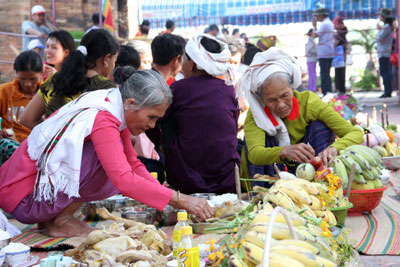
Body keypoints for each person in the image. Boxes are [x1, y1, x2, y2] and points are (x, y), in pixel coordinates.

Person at [0, 68, 214, 238]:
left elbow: (134, 164)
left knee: (118, 160)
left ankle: (54, 218)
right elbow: (124, 180)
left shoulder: (111, 104)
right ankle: (61, 221)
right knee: (106, 160)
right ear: (130, 104)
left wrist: (162, 192)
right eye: (151, 117)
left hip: (25, 195)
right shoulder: (104, 118)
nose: (152, 125)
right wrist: (181, 200)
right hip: (23, 200)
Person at [236, 47, 364, 181]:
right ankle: (265, 194)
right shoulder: (257, 113)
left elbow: (356, 133)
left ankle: (320, 181)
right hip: (269, 173)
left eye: (284, 95)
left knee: (320, 127)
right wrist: (284, 151)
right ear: (262, 99)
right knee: (262, 142)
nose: (280, 105)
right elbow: (255, 154)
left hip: (306, 167)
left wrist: (334, 148)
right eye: (271, 100)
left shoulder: (308, 102)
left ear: (293, 88)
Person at [162, 34, 240, 194]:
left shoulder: (179, 88)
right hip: (227, 178)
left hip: (186, 178)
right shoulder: (227, 90)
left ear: (191, 64)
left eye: (184, 60)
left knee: (165, 121)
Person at [20, 29, 118, 129]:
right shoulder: (107, 89)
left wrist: (52, 131)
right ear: (106, 59)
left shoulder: (56, 79)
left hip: (55, 143)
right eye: (114, 60)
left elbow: (26, 119)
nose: (114, 65)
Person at [0, 51, 43, 165]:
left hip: (36, 150)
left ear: (41, 74)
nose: (28, 84)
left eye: (33, 79)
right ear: (16, 74)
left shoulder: (48, 94)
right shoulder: (4, 92)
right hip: (8, 146)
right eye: (23, 79)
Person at [312, 8, 334, 95]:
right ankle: (328, 92)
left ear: (321, 15)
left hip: (324, 52)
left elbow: (314, 35)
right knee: (326, 74)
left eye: (317, 16)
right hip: (328, 51)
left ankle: (326, 93)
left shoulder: (324, 24)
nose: (316, 17)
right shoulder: (329, 23)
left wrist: (314, 26)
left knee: (324, 75)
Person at [377, 8, 394, 98]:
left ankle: (388, 91)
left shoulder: (387, 26)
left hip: (384, 52)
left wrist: (378, 31)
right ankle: (387, 90)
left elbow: (379, 38)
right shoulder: (387, 26)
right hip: (383, 51)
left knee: (385, 72)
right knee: (384, 72)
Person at [333, 17, 348, 94]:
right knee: (340, 72)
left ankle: (340, 90)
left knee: (339, 73)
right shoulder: (343, 31)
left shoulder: (340, 33)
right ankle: (341, 89)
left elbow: (335, 44)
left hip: (340, 56)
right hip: (341, 56)